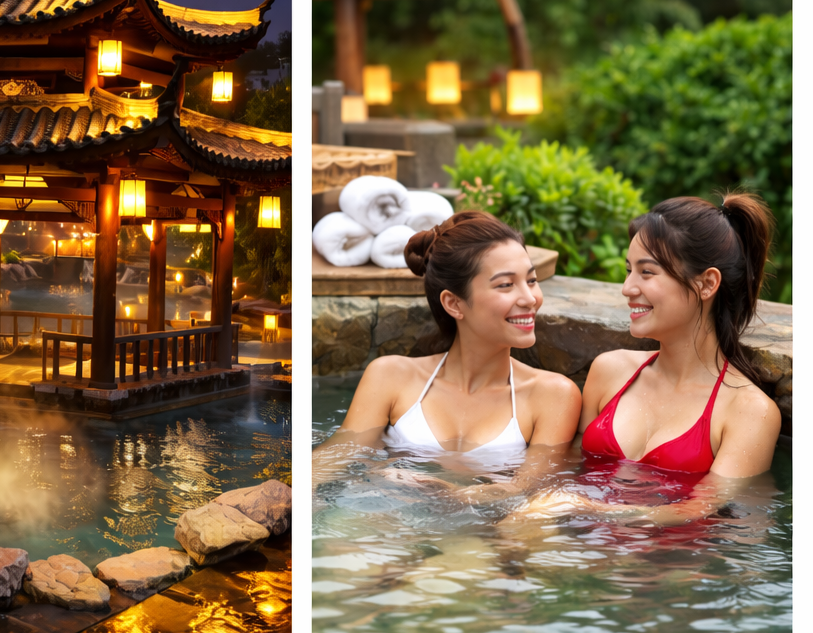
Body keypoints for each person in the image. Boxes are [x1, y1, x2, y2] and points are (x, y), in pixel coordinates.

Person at [508, 194, 781, 527]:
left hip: (673, 568)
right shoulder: (610, 371)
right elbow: (563, 472)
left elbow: (697, 509)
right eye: (628, 271)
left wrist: (580, 507)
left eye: (646, 272)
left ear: (707, 283)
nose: (627, 288)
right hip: (587, 545)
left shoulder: (749, 412)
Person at [314, 210, 582, 483]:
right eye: (505, 284)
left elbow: (530, 494)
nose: (530, 298)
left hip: (483, 525)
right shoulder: (390, 376)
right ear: (453, 303)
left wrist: (440, 490)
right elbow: (332, 460)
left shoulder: (552, 396)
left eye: (532, 280)